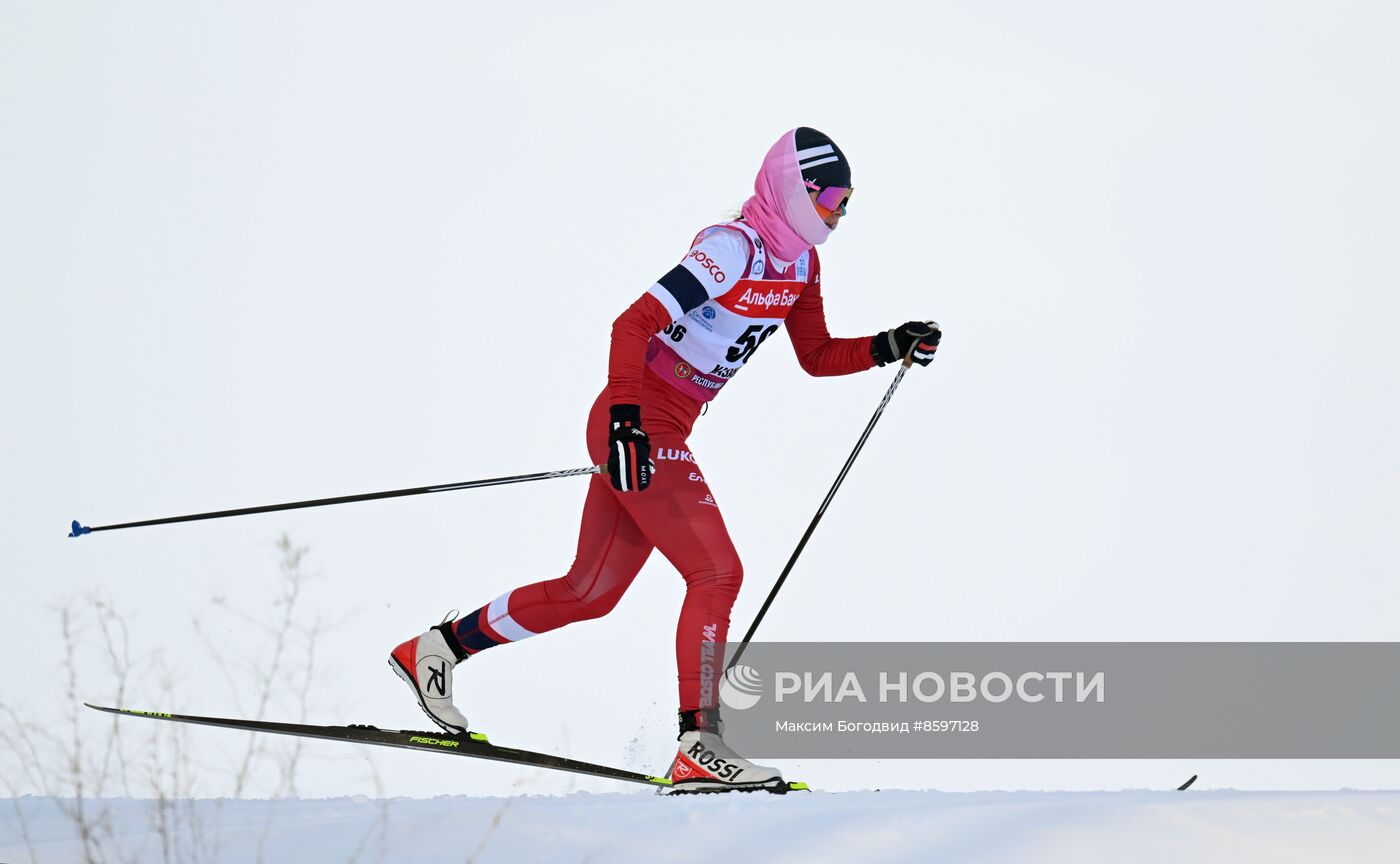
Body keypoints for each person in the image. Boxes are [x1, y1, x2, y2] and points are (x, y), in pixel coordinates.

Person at [389, 127, 941, 792]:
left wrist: (888, 345)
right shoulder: (731, 248)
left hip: (663, 424)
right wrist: (627, 419)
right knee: (717, 571)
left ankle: (437, 650)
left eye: (847, 203)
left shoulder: (800, 266)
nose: (838, 214)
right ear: (795, 191)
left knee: (588, 592)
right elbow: (632, 324)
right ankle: (699, 744)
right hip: (639, 418)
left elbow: (817, 355)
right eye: (830, 198)